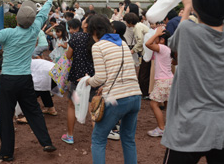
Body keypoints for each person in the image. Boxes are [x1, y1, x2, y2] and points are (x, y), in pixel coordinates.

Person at [161, 0, 224, 164]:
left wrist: (187, 8)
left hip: (189, 126)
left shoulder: (188, 30)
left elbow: (172, 44)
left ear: (196, 8)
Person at [0, 0, 58, 161]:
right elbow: (43, 14)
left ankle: (7, 152)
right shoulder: (34, 30)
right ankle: (46, 142)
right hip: (25, 79)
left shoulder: (8, 33)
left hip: (8, 79)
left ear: (16, 18)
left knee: (5, 116)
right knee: (34, 111)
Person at [86, 15, 142, 164]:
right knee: (128, 139)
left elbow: (100, 78)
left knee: (98, 139)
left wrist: (86, 81)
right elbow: (122, 71)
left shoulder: (98, 46)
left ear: (94, 30)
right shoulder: (122, 43)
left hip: (116, 98)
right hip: (135, 95)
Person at [61, 18, 97, 145]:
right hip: (94, 78)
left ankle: (70, 135)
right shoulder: (98, 39)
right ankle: (96, 139)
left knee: (72, 105)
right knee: (92, 108)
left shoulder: (76, 37)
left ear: (86, 25)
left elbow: (69, 55)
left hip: (77, 79)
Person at [144, 26, 172, 137]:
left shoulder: (162, 47)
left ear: (162, 40)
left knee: (154, 103)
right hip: (168, 79)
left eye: (157, 37)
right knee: (167, 104)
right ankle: (170, 126)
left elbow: (147, 44)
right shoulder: (168, 48)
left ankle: (161, 128)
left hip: (162, 80)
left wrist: (156, 34)